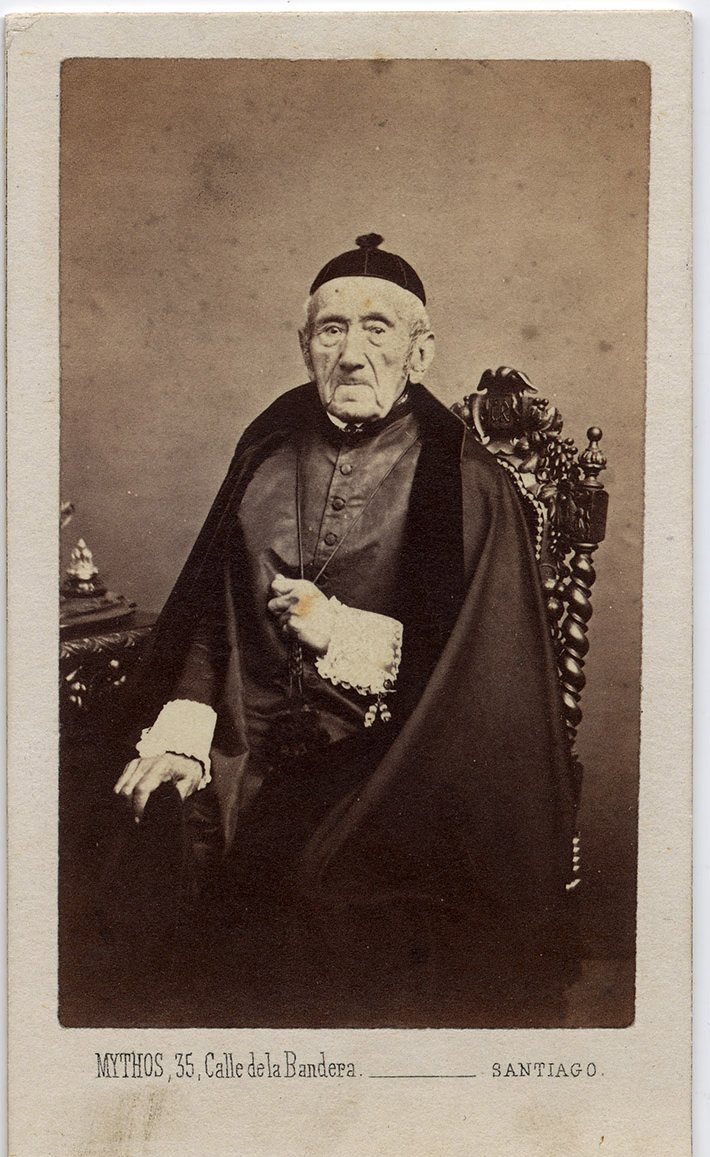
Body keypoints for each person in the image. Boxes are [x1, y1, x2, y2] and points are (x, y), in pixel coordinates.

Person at [113, 234, 578, 1027]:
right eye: (331, 330)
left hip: (396, 759)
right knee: (130, 825)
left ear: (419, 352)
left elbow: (482, 677)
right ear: (305, 348)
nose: (352, 354)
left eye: (376, 329)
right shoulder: (264, 457)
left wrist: (339, 633)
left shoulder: (466, 483)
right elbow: (210, 622)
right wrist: (183, 737)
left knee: (318, 891)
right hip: (245, 744)